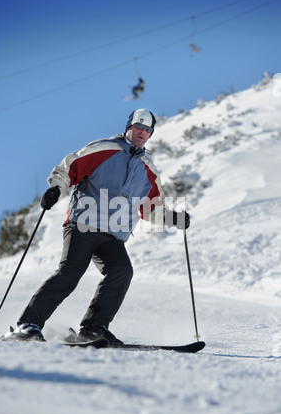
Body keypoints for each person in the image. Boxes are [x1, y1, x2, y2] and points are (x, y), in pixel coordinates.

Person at [10, 109, 190, 343]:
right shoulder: (105, 149)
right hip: (83, 225)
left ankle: (94, 327)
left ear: (151, 134)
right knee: (70, 273)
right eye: (138, 127)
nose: (142, 132)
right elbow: (69, 168)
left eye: (147, 130)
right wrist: (56, 188)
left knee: (121, 271)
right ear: (129, 127)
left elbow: (150, 208)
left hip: (112, 235)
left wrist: (174, 218)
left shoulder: (148, 170)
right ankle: (28, 324)